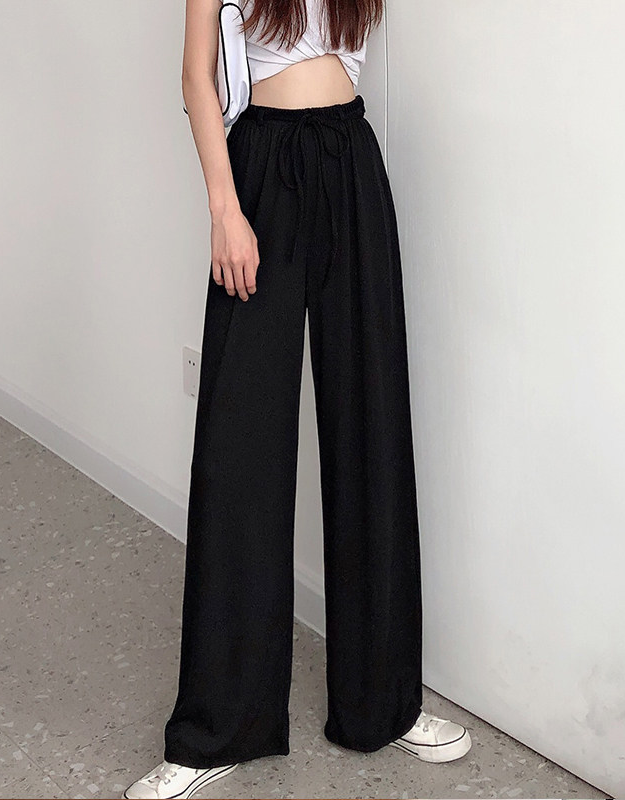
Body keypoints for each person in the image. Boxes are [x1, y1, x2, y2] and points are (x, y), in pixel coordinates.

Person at [124, 0, 472, 797]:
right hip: (260, 169)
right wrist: (224, 209)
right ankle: (216, 729)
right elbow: (197, 77)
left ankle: (382, 703)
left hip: (351, 159)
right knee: (239, 444)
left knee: (372, 428)